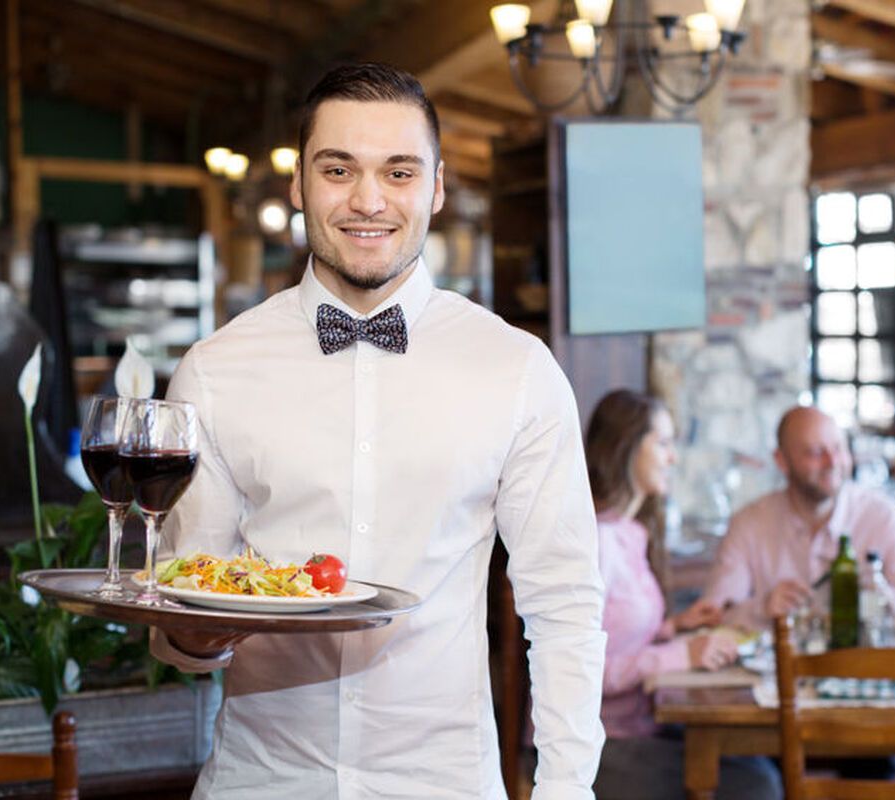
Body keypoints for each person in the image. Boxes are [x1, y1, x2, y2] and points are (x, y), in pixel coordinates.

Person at [149, 63, 606, 799]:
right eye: (338, 169)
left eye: (399, 171)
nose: (368, 200)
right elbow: (186, 606)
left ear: (437, 187)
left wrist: (565, 789)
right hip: (261, 781)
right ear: (298, 185)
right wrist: (189, 639)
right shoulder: (215, 370)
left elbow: (566, 604)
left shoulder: (516, 370)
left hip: (445, 781)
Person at [585, 389, 781, 800]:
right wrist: (683, 654)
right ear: (625, 447)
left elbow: (614, 633)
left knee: (762, 761)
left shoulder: (628, 534)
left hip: (638, 728)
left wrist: (674, 627)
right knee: (759, 785)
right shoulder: (599, 543)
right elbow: (581, 672)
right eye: (662, 443)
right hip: (596, 748)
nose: (673, 458)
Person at [691, 405, 895, 629]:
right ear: (781, 461)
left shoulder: (886, 518)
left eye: (839, 449)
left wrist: (877, 598)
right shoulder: (748, 523)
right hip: (773, 667)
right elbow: (714, 614)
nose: (832, 462)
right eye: (815, 453)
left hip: (867, 664)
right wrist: (762, 608)